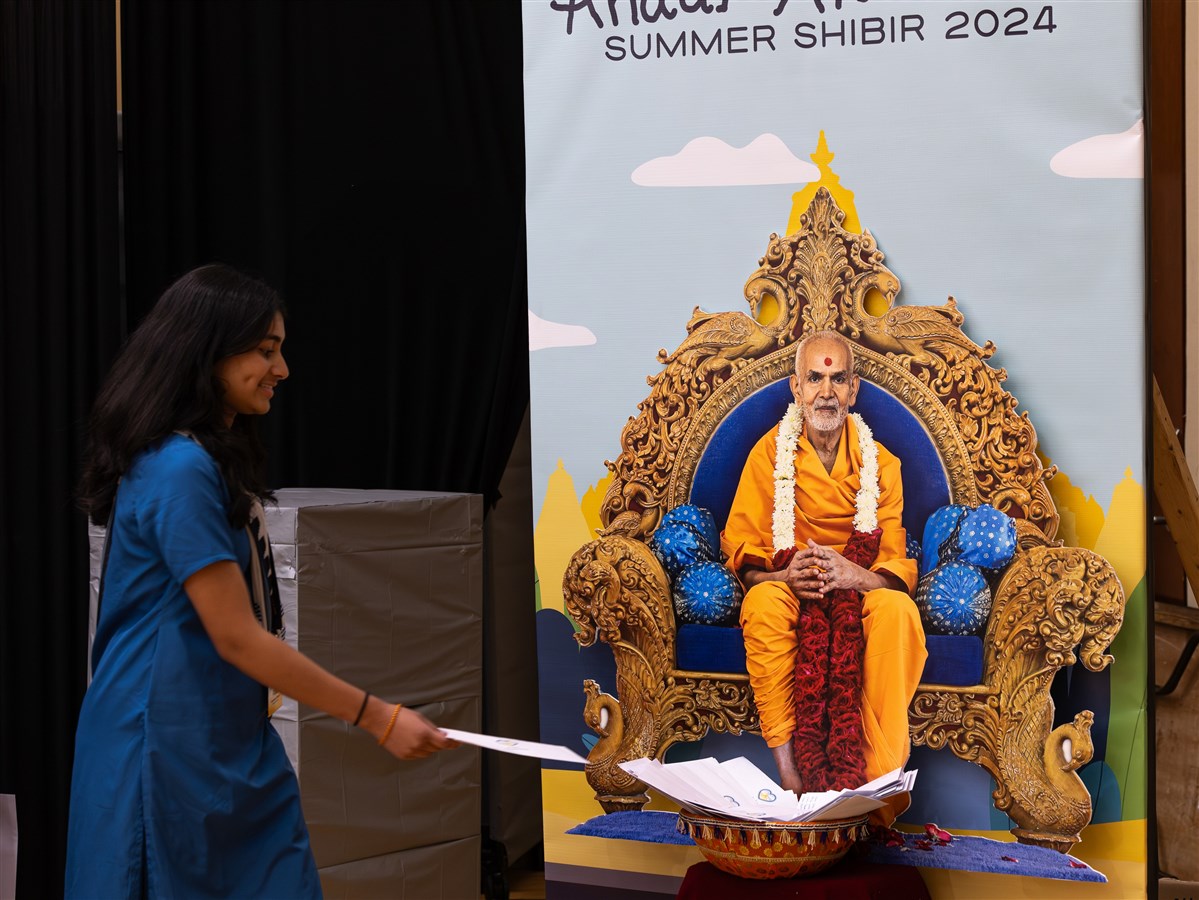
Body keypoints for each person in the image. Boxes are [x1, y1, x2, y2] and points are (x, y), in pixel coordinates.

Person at [66, 264, 457, 898]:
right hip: (163, 740)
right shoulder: (177, 468)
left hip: (221, 732)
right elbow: (236, 636)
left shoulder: (192, 458)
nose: (282, 369)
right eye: (265, 350)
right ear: (206, 353)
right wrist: (378, 717)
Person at [720, 329, 926, 825]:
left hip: (859, 584)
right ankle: (793, 782)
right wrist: (785, 575)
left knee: (897, 612)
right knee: (763, 605)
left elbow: (892, 565)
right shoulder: (768, 456)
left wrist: (853, 575)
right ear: (796, 388)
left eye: (837, 380)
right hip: (792, 580)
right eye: (814, 379)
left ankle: (873, 789)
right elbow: (746, 556)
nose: (826, 392)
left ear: (854, 389)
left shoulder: (883, 465)